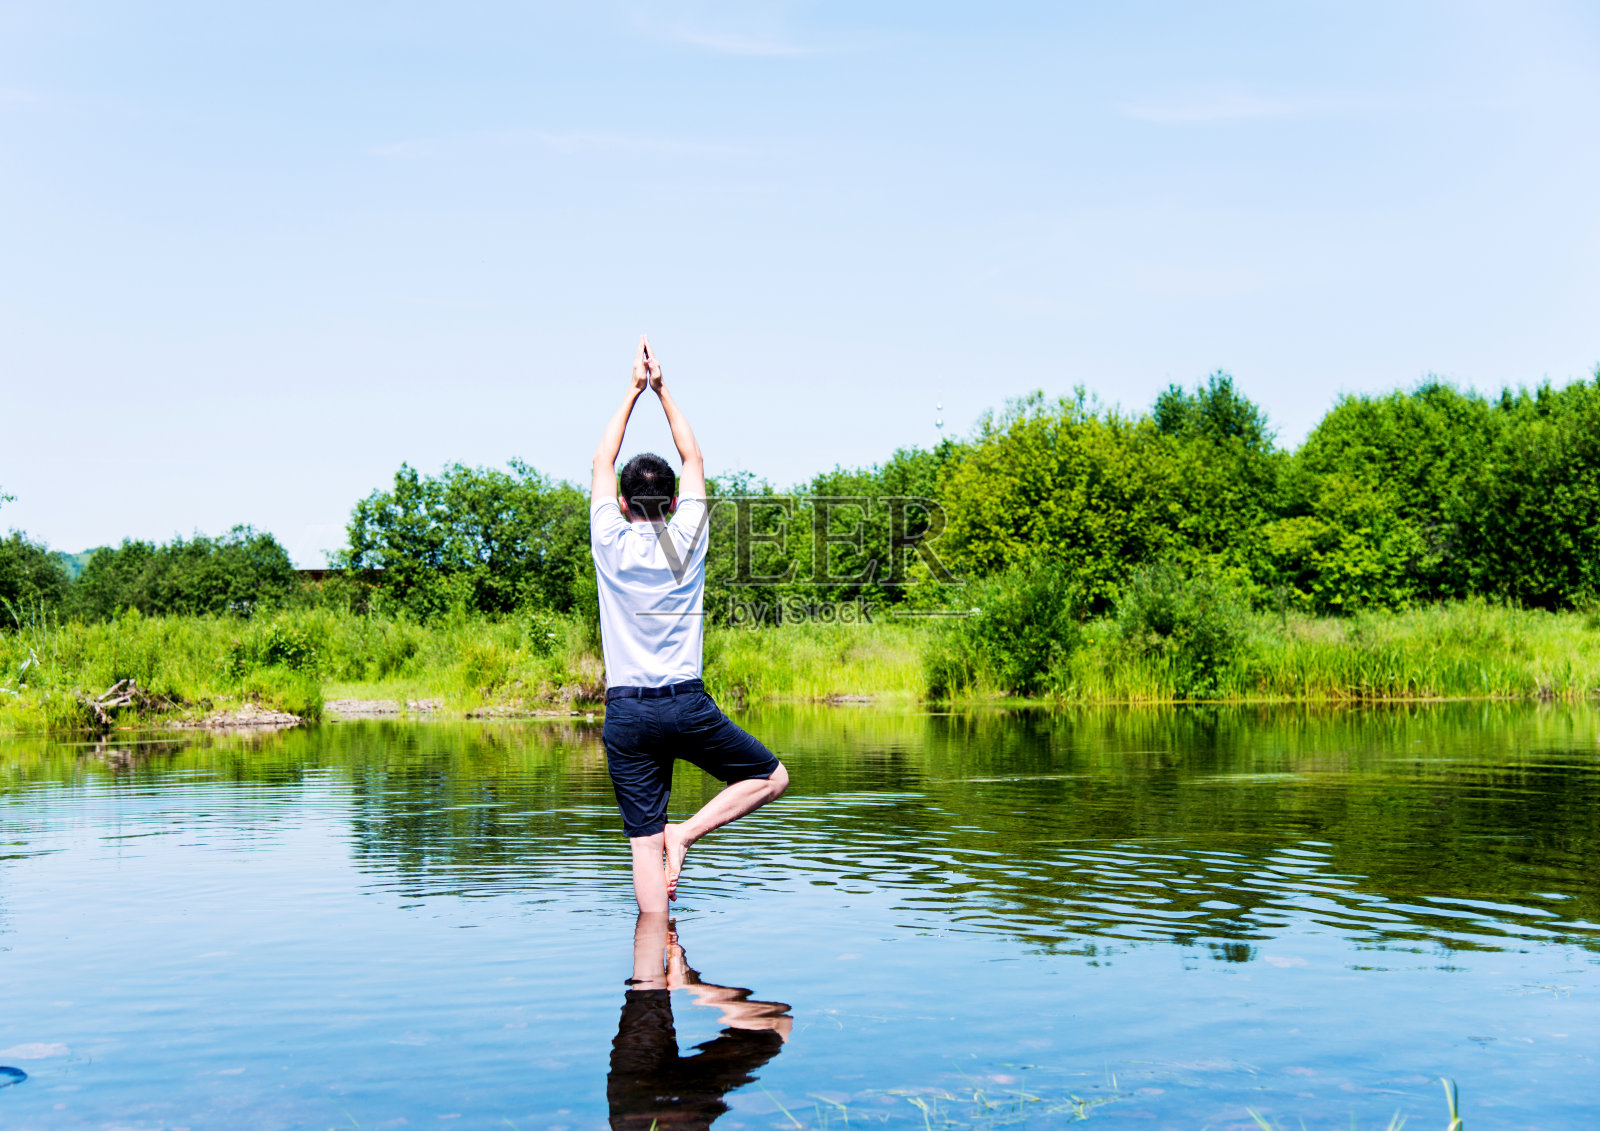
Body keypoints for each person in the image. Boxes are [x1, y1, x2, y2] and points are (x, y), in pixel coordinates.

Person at [591, 335, 789, 912]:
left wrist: (632, 392)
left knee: (641, 846)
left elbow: (603, 462)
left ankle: (654, 976)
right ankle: (687, 834)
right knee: (771, 777)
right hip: (685, 706)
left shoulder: (609, 540)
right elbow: (694, 460)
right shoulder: (689, 536)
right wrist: (663, 389)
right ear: (675, 503)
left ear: (624, 505)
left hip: (627, 713)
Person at [607, 913, 792, 1131]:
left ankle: (691, 985)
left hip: (668, 1111)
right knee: (647, 985)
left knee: (777, 1025)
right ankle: (688, 983)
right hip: (631, 1107)